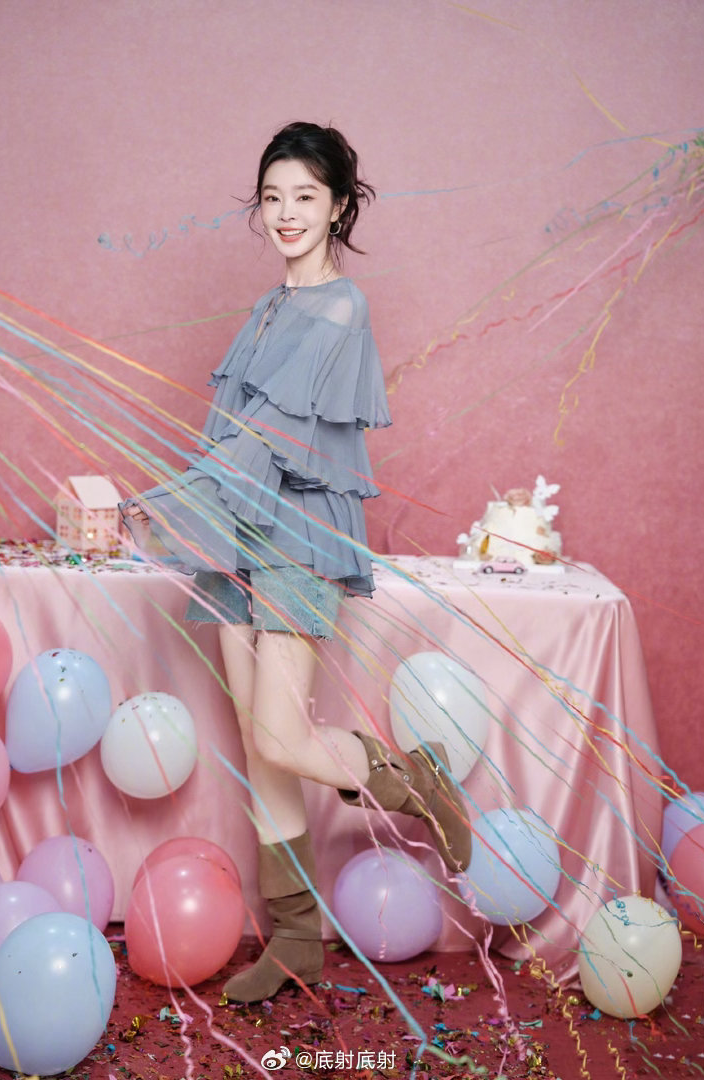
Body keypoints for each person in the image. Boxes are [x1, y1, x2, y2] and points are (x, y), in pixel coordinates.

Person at [121, 121, 471, 1004]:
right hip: (241, 531)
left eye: (305, 197)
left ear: (340, 206)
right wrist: (186, 509)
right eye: (273, 197)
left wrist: (172, 504)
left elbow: (270, 437)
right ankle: (294, 939)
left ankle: (412, 778)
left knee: (282, 734)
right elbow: (230, 436)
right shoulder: (268, 308)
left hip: (297, 538)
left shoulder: (341, 308)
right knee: (260, 747)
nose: (285, 213)